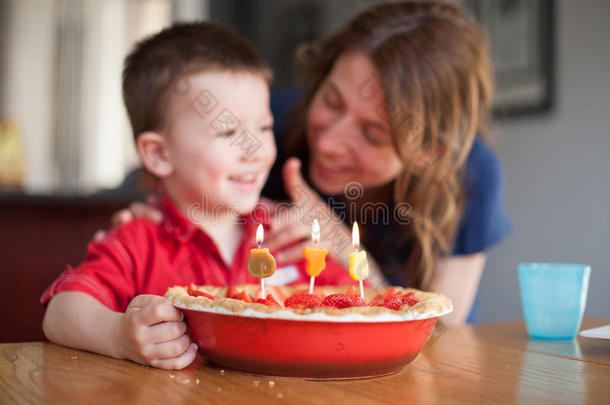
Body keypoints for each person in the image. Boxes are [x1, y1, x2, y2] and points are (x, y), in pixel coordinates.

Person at [110, 2, 511, 326]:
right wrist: (155, 209)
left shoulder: (470, 173)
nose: (331, 141)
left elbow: (443, 330)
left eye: (372, 133)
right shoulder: (271, 126)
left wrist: (346, 253)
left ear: (428, 152)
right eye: (332, 100)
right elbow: (171, 162)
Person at [41, 22, 353, 371]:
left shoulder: (289, 235)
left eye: (264, 127)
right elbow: (60, 311)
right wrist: (119, 336)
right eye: (228, 131)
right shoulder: (139, 240)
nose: (256, 149)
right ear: (159, 154)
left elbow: (355, 303)